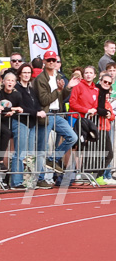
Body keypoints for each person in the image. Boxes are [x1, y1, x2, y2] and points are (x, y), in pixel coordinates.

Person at [34, 51, 78, 184]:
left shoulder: (59, 76)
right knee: (42, 147)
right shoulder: (40, 79)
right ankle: (40, 178)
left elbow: (62, 98)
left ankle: (52, 159)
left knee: (72, 137)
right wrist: (58, 91)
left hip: (57, 113)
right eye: (49, 60)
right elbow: (44, 99)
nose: (52, 62)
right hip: (46, 114)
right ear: (44, 62)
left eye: (54, 60)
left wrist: (68, 87)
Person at [11, 63, 45, 189]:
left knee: (30, 154)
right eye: (24, 72)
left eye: (28, 73)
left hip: (32, 123)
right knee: (20, 153)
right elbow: (21, 107)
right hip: (21, 122)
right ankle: (16, 181)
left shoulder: (31, 89)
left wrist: (39, 111)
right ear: (20, 74)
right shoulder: (17, 89)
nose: (26, 75)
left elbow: (35, 104)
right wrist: (36, 112)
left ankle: (28, 181)